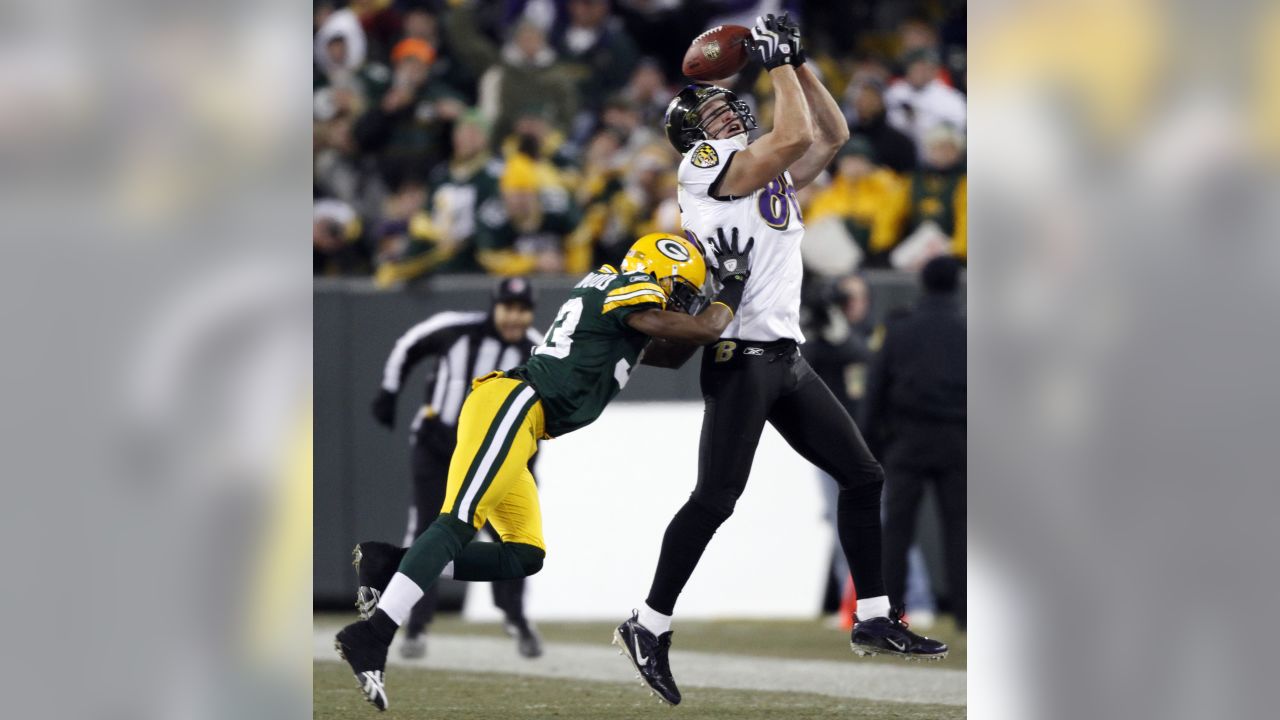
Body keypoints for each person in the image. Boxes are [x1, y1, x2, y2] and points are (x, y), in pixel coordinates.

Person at [615, 14, 947, 707]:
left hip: (784, 358)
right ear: (691, 133)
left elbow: (831, 135)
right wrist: (774, 66)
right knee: (715, 498)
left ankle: (876, 617)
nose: (724, 105)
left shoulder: (761, 172)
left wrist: (797, 62)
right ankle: (647, 624)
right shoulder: (703, 168)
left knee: (863, 475)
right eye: (708, 105)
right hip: (738, 359)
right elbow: (793, 135)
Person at [334, 229, 757, 711]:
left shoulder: (623, 301)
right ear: (657, 272)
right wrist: (733, 286)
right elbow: (701, 331)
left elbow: (676, 350)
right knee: (457, 523)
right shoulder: (628, 286)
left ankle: (389, 562)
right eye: (680, 290)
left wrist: (719, 305)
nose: (682, 303)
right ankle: (374, 634)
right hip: (514, 403)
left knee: (523, 556)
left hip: (526, 421)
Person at [366, 277, 543, 660]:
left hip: (496, 452)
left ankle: (516, 617)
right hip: (438, 444)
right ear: (494, 306)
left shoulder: (539, 349)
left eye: (523, 309)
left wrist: (529, 460)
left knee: (513, 539)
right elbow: (408, 346)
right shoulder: (453, 329)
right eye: (509, 308)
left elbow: (542, 406)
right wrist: (389, 389)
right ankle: (415, 625)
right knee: (430, 529)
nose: (515, 317)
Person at [862, 256, 967, 630]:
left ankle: (891, 614)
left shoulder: (901, 330)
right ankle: (966, 615)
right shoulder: (967, 330)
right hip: (959, 441)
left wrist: (869, 445)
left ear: (923, 284)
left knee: (897, 532)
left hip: (907, 440)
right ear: (956, 285)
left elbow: (876, 388)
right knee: (960, 528)